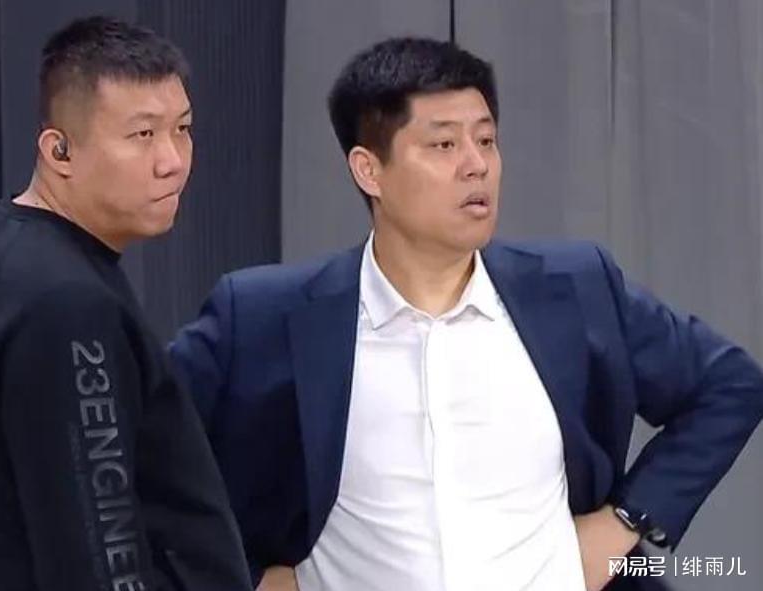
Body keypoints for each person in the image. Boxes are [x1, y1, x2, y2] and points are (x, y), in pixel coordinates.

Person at [170, 38, 763, 591]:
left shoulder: (575, 288)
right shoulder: (263, 316)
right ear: (369, 170)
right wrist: (246, 576)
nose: (476, 165)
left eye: (486, 140)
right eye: (444, 145)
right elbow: (146, 452)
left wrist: (624, 522)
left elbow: (731, 383)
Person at [0, 16, 251, 591]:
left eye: (182, 128)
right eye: (142, 135)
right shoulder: (66, 303)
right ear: (60, 151)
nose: (173, 160)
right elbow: (100, 541)